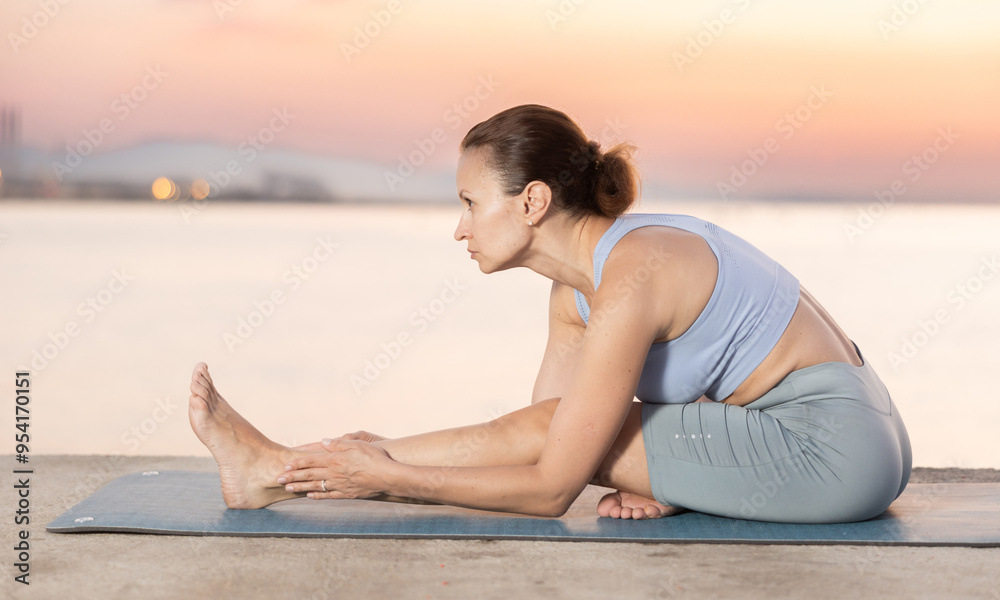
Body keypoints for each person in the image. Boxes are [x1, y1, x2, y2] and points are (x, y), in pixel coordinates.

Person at [188, 104, 911, 523]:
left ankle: (279, 470)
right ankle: (293, 465)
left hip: (832, 450)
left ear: (532, 201)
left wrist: (387, 477)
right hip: (841, 432)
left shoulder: (633, 276)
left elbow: (552, 485)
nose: (460, 229)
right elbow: (542, 436)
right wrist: (668, 477)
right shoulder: (576, 291)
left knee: (546, 437)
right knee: (552, 427)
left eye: (471, 203)